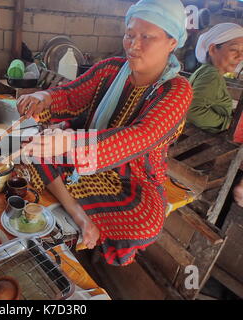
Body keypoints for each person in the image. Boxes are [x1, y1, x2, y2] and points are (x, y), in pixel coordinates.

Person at [16, 0, 192, 266]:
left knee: (144, 224)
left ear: (172, 42)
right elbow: (72, 94)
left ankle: (73, 206)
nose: (134, 45)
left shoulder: (176, 90)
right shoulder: (110, 69)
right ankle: (79, 214)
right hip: (82, 155)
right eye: (130, 34)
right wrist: (44, 97)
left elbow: (141, 136)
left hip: (132, 179)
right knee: (29, 147)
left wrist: (70, 144)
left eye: (147, 37)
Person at [187, 23, 243, 133]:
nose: (240, 57)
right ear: (212, 49)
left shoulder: (206, 70)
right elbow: (191, 111)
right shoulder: (211, 76)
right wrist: (228, 123)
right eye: (234, 49)